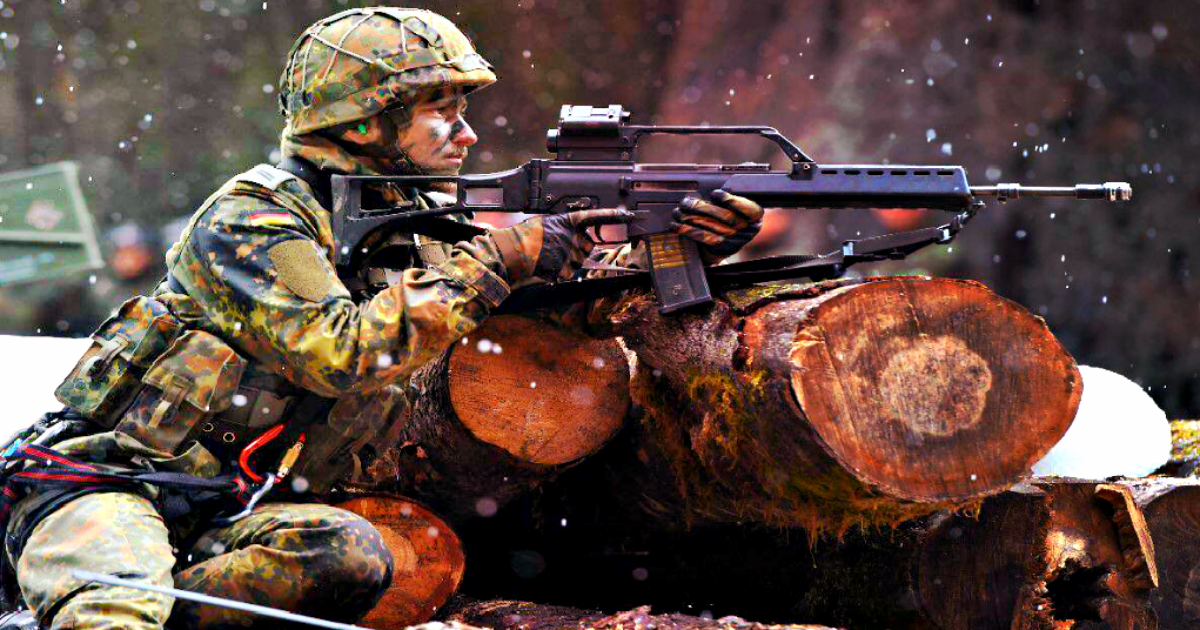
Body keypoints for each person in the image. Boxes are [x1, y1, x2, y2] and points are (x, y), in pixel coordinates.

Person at [0, 7, 764, 630]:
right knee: (114, 612)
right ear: (366, 123)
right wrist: (500, 258)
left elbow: (548, 304)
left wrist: (666, 245)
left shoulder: (414, 222)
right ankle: (88, 593)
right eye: (443, 112)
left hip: (229, 513)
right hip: (105, 485)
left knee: (353, 559)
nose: (467, 134)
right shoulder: (255, 218)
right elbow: (339, 351)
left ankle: (131, 603)